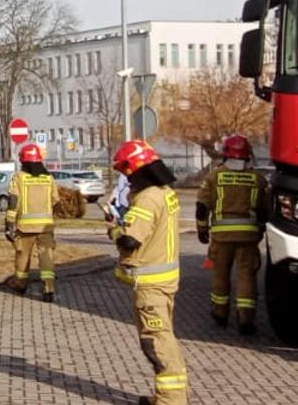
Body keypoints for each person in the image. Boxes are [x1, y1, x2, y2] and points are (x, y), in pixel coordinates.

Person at [110, 139, 187, 405]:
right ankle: (171, 396)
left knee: (155, 342)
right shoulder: (165, 192)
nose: (127, 179)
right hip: (165, 280)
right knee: (165, 337)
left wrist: (114, 230)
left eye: (126, 172)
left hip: (151, 286)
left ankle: (170, 400)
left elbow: (130, 240)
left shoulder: (147, 199)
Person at [197, 134, 270, 334]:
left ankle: (220, 313)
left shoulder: (214, 177)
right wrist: (261, 228)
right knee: (247, 276)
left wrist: (202, 228)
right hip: (248, 237)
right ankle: (245, 319)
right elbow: (265, 210)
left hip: (221, 237)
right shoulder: (258, 179)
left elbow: (202, 206)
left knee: (220, 275)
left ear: (225, 153)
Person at [5, 143, 59, 302]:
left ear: (23, 161)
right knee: (46, 256)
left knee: (22, 256)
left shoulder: (19, 177)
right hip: (46, 227)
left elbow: (13, 201)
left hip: (25, 227)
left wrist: (9, 223)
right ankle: (49, 289)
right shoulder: (48, 178)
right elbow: (55, 200)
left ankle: (20, 284)